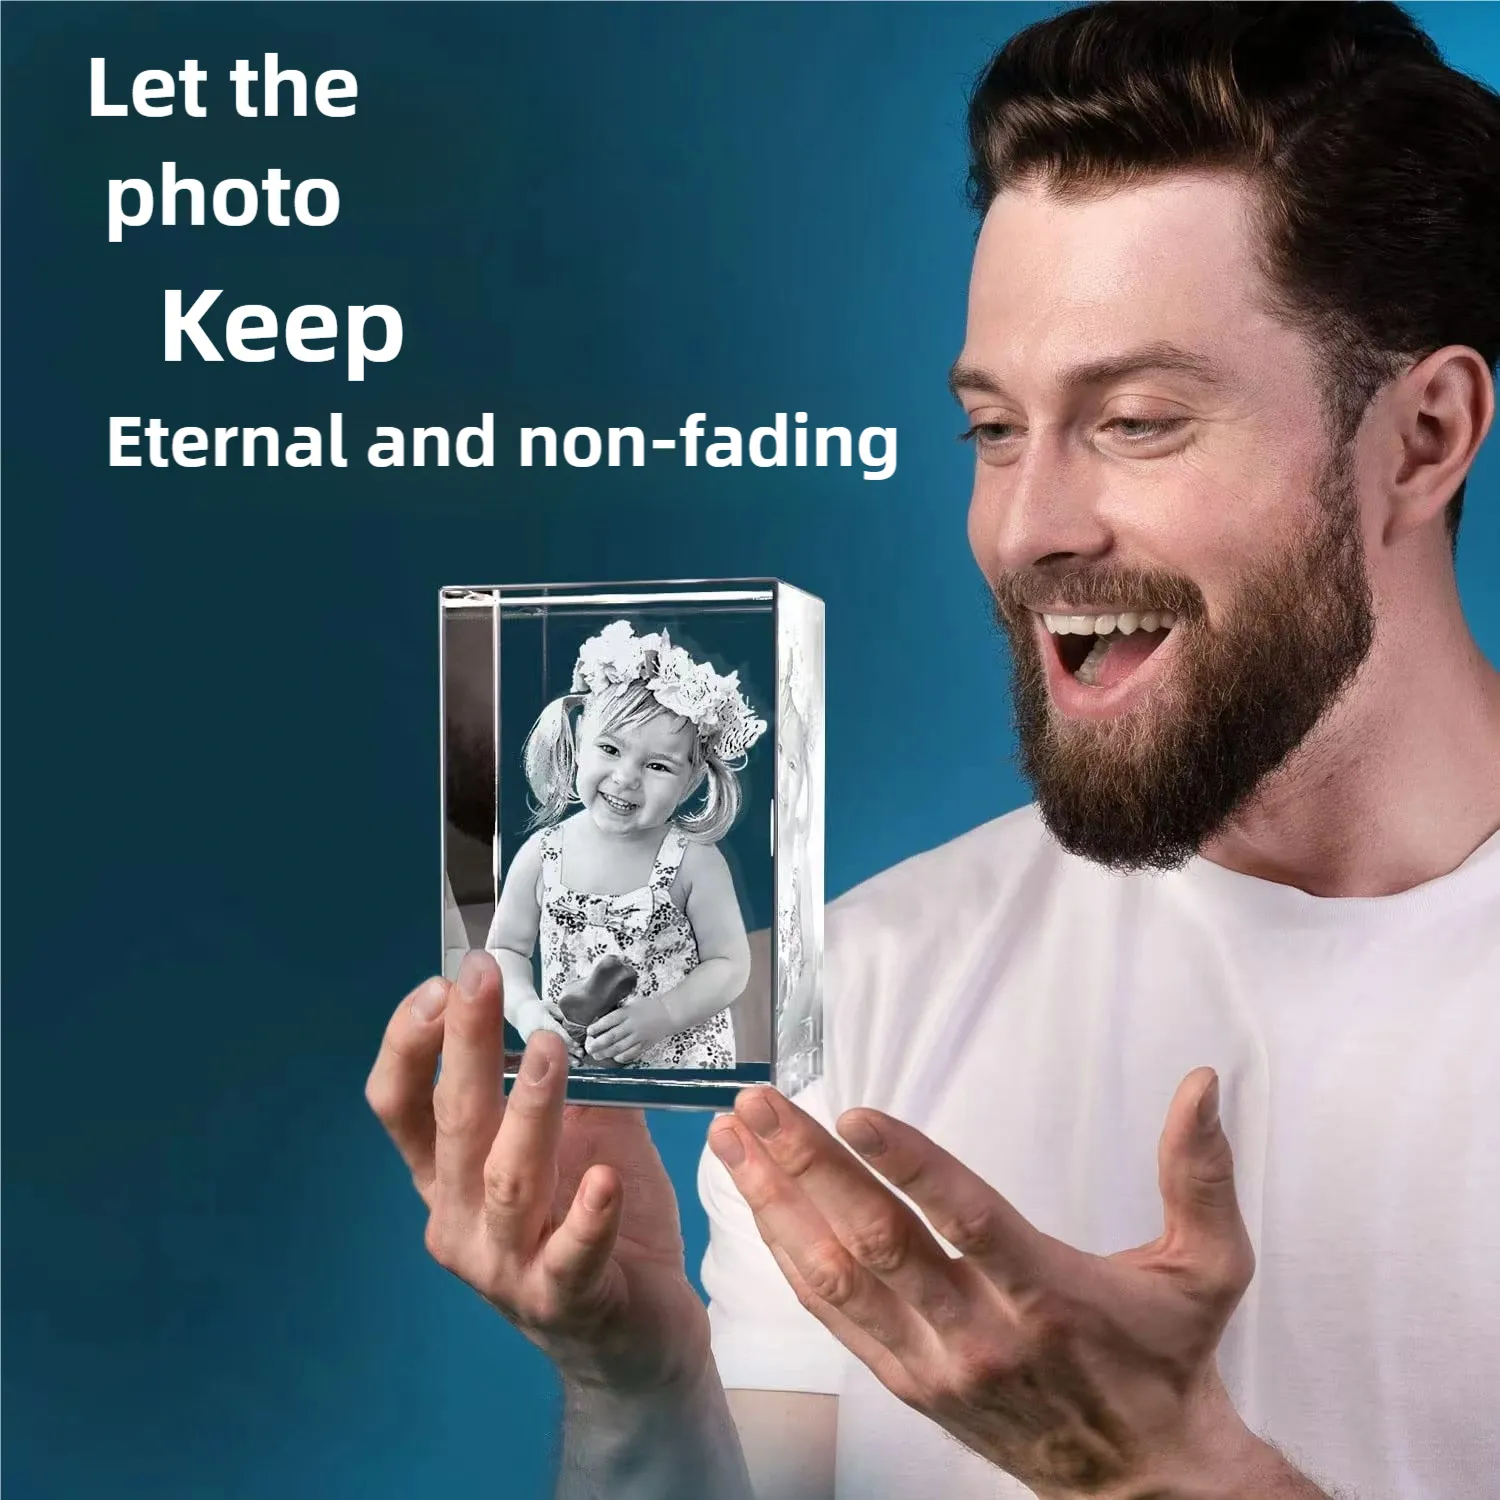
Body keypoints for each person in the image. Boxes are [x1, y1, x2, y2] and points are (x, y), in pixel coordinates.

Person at [365, 5, 1500, 1498]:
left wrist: (1180, 1479)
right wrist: (635, 1374)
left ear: (1421, 439)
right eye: (993, 430)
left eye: (1139, 420)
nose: (1027, 528)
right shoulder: (860, 992)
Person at [486, 619, 766, 1069]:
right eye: (611, 750)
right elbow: (506, 950)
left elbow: (730, 964)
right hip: (577, 1070)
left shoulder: (693, 862)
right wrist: (528, 1014)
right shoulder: (545, 853)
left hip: (676, 1071)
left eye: (658, 766)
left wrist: (662, 1014)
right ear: (580, 742)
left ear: (692, 779)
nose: (626, 778)